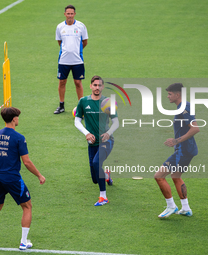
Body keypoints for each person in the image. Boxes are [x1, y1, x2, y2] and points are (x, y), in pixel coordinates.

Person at [0, 107, 46, 250]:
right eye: (18, 117)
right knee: (27, 206)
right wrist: (39, 175)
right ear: (14, 119)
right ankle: (23, 242)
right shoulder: (19, 138)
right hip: (13, 178)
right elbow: (26, 162)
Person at [154, 83, 200, 218]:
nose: (168, 96)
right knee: (175, 176)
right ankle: (186, 208)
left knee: (159, 176)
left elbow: (195, 128)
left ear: (177, 94)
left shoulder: (183, 108)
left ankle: (171, 206)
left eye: (170, 94)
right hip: (187, 149)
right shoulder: (185, 105)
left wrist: (176, 141)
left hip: (184, 151)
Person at [74, 76, 119, 206]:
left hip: (107, 140)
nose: (97, 87)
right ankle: (106, 176)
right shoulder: (83, 101)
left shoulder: (107, 101)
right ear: (90, 86)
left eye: (99, 85)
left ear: (102, 87)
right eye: (95, 85)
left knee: (96, 162)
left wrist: (108, 133)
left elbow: (116, 122)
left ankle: (103, 197)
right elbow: (77, 121)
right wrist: (87, 133)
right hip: (92, 143)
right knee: (94, 178)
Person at [54, 4, 88, 114]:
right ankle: (61, 106)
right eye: (68, 13)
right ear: (64, 14)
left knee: (78, 82)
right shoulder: (60, 27)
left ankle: (81, 106)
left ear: (75, 14)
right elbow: (60, 42)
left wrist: (76, 51)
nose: (70, 16)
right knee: (62, 82)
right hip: (63, 60)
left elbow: (85, 42)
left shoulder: (81, 26)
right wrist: (67, 50)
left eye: (71, 13)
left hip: (77, 60)